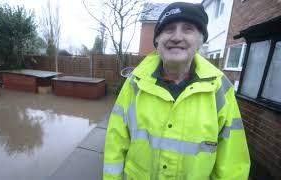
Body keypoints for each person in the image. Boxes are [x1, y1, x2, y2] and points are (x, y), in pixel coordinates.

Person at [103, 2, 250, 180]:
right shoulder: (135, 83)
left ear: (200, 40)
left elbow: (232, 164)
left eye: (188, 29)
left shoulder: (219, 89)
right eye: (169, 29)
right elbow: (115, 143)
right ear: (157, 40)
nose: (176, 37)